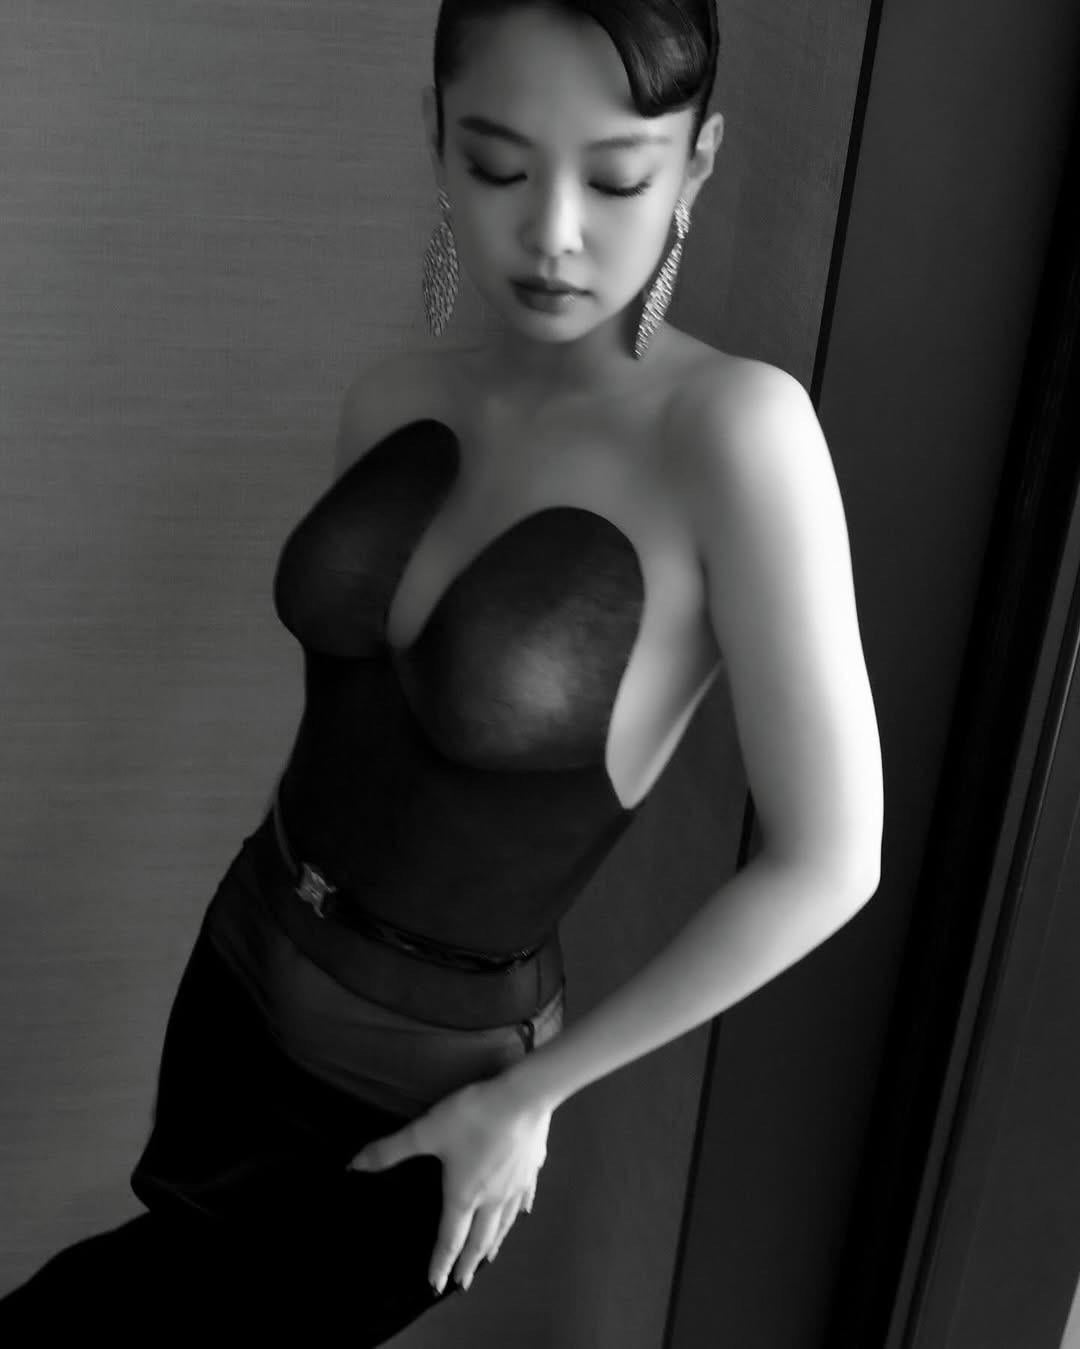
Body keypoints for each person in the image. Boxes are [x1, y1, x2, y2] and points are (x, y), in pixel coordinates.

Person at [0, 0, 883, 1341]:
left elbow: (832, 860)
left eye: (618, 177)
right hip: (237, 983)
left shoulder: (737, 436)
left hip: (425, 1109)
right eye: (498, 164)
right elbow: (354, 727)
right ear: (436, 140)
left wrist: (531, 1098)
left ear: (698, 164)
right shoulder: (393, 395)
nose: (553, 232)